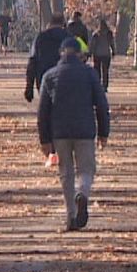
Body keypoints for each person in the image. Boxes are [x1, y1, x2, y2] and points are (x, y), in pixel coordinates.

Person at [37, 37, 111, 231]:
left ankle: (71, 215)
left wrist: (44, 139)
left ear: (61, 53)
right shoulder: (90, 74)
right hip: (85, 130)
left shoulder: (50, 76)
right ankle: (83, 194)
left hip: (59, 132)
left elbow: (43, 110)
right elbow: (101, 105)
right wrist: (104, 132)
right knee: (86, 169)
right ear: (80, 54)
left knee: (66, 173)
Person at [25, 13, 71, 100]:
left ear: (50, 23)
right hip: (65, 78)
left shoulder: (40, 38)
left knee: (46, 107)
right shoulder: (69, 38)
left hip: (43, 78)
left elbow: (32, 62)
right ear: (63, 23)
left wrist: (29, 86)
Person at [89, 17, 115, 90]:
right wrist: (113, 51)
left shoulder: (96, 34)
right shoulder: (109, 33)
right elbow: (112, 43)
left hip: (97, 54)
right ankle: (105, 86)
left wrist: (90, 53)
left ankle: (97, 85)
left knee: (97, 71)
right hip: (106, 54)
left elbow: (92, 45)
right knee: (105, 71)